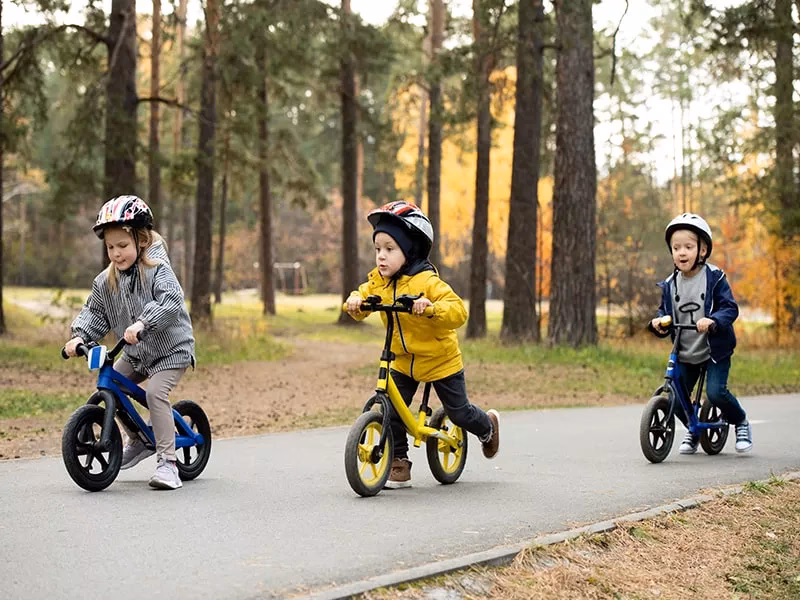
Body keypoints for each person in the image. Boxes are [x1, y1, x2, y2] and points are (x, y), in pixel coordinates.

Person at [345, 200, 500, 489]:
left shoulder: (428, 281)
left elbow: (458, 311)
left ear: (410, 249)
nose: (381, 257)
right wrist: (355, 301)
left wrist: (430, 308)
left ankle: (487, 427)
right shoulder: (380, 282)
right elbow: (363, 296)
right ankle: (399, 464)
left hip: (441, 361)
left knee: (459, 413)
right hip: (402, 360)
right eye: (378, 249)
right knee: (390, 408)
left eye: (390, 249)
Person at [64, 195, 196, 490]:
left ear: (142, 240)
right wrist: (79, 337)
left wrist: (143, 322)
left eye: (122, 246)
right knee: (111, 384)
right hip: (137, 352)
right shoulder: (105, 281)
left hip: (171, 350)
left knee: (155, 394)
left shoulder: (157, 269)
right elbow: (94, 313)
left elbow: (170, 300)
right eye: (110, 247)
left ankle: (168, 464)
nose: (116, 253)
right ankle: (138, 439)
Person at [648, 213, 752, 454]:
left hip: (714, 349)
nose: (681, 253)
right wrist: (658, 323)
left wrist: (714, 321)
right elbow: (665, 311)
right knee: (675, 396)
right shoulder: (670, 283)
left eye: (688, 247)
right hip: (686, 350)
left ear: (702, 250)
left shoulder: (714, 278)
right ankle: (694, 429)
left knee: (716, 393)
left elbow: (730, 308)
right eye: (676, 248)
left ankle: (741, 422)